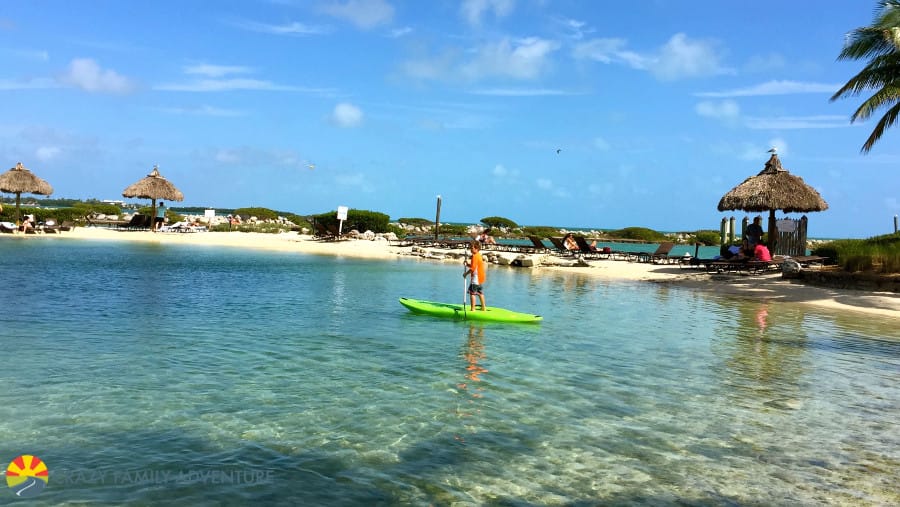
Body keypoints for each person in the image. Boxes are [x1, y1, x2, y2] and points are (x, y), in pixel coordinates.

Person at [463, 240, 486, 311]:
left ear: (477, 248)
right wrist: (468, 264)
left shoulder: (475, 256)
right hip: (480, 278)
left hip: (475, 279)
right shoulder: (479, 255)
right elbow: (474, 266)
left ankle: (473, 309)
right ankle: (483, 308)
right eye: (470, 248)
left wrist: (466, 274)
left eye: (472, 248)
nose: (470, 250)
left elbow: (473, 269)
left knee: (472, 293)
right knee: (480, 293)